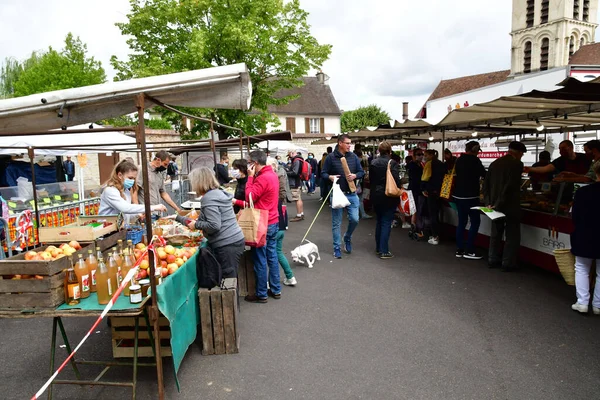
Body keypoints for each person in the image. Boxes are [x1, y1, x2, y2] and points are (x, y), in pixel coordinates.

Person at [175, 167, 245, 279]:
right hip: (234, 240)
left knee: (228, 281)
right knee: (230, 278)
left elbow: (214, 226)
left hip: (227, 244)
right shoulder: (218, 193)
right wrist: (178, 218)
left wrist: (196, 225)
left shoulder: (209, 198)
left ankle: (230, 297)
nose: (192, 185)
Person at [483, 141, 527, 272]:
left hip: (494, 204)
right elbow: (510, 186)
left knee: (495, 233)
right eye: (522, 154)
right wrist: (499, 203)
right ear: (518, 153)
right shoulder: (517, 164)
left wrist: (489, 202)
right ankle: (508, 263)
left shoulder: (495, 163)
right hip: (510, 205)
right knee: (512, 235)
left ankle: (492, 259)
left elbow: (486, 185)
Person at [244, 150, 281, 303]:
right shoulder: (272, 175)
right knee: (272, 257)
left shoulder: (262, 178)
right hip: (273, 220)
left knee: (260, 259)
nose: (248, 165)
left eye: (249, 162)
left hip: (262, 223)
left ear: (255, 163)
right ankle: (276, 289)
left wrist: (250, 178)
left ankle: (261, 293)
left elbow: (249, 196)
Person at [321, 134, 365, 259]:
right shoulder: (330, 157)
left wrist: (355, 176)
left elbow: (361, 172)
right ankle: (336, 247)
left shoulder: (353, 156)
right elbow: (323, 173)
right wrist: (330, 177)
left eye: (350, 143)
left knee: (355, 219)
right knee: (336, 223)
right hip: (337, 194)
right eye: (347, 143)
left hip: (352, 193)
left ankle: (347, 237)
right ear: (340, 143)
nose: (349, 145)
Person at [569, 162, 600, 314]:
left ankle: (582, 302)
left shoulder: (583, 192)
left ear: (596, 172)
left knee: (581, 268)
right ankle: (598, 305)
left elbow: (575, 216)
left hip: (585, 234)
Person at [453, 141, 487, 259]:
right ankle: (470, 250)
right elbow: (484, 175)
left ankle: (460, 249)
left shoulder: (459, 160)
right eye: (478, 151)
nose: (478, 153)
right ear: (475, 149)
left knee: (461, 222)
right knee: (475, 222)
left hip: (458, 196)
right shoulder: (475, 161)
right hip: (471, 196)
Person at [369, 141, 401, 259]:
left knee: (379, 221)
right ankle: (384, 250)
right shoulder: (392, 163)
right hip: (388, 195)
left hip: (376, 195)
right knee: (386, 222)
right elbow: (396, 180)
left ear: (379, 150)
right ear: (389, 151)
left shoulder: (373, 162)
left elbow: (371, 179)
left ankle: (378, 248)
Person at [99, 160, 167, 216]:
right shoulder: (110, 191)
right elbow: (125, 208)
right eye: (130, 178)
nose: (132, 181)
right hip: (106, 229)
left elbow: (125, 213)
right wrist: (153, 207)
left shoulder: (125, 191)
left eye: (134, 178)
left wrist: (137, 214)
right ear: (120, 175)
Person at [268, 157, 297, 286]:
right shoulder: (278, 184)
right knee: (278, 252)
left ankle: (270, 282)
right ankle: (290, 276)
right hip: (281, 224)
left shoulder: (269, 185)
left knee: (269, 255)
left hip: (273, 224)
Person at [136, 150, 182, 217]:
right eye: (165, 164)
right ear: (158, 160)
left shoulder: (159, 174)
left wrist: (177, 208)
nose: (166, 167)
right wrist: (138, 211)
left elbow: (163, 193)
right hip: (146, 213)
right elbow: (134, 190)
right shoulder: (143, 170)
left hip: (157, 212)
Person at [421, 149, 446, 245]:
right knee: (437, 213)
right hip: (440, 192)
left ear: (431, 155)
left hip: (431, 192)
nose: (424, 157)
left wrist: (423, 188)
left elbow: (425, 177)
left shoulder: (429, 164)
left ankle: (435, 236)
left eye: (426, 155)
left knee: (432, 215)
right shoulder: (441, 163)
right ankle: (437, 234)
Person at [526, 140, 590, 176]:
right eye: (559, 149)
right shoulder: (560, 160)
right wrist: (529, 169)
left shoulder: (584, 157)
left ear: (571, 147)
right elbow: (545, 169)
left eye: (563, 148)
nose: (561, 151)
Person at [407, 149, 425, 235]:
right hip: (415, 190)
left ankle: (416, 227)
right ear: (414, 155)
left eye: (422, 154)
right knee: (415, 209)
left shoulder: (420, 164)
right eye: (419, 154)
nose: (421, 156)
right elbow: (415, 179)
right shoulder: (412, 165)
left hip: (418, 190)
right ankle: (415, 227)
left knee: (417, 209)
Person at [285, 149, 305, 222]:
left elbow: (295, 172)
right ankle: (301, 213)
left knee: (296, 199)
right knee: (299, 198)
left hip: (295, 182)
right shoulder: (299, 159)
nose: (289, 157)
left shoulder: (296, 160)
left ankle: (299, 215)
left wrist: (287, 172)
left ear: (292, 153)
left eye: (289, 155)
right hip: (298, 181)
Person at [354, 148, 372, 219]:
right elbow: (362, 173)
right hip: (358, 183)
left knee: (354, 199)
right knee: (360, 199)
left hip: (354, 183)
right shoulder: (360, 162)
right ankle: (362, 214)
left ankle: (353, 213)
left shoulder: (353, 162)